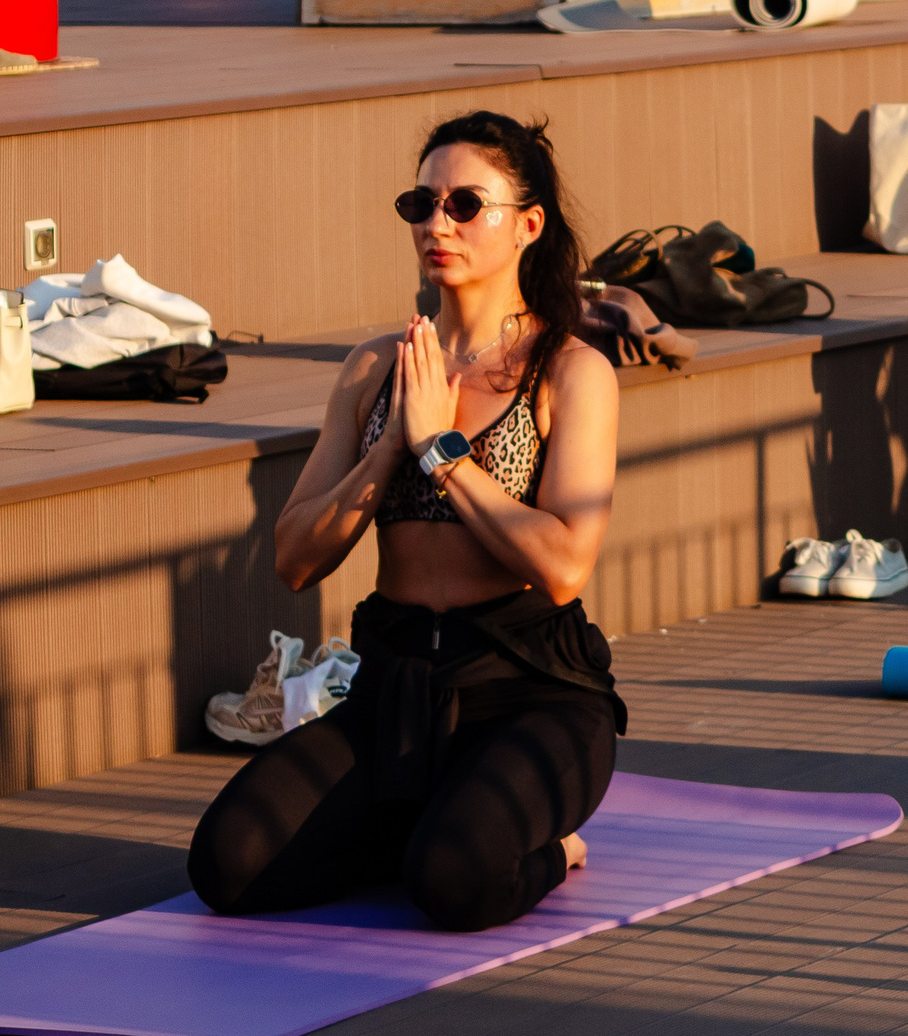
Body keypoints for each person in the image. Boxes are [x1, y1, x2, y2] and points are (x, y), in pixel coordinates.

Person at [188, 111, 624, 932]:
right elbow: (294, 558)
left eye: (466, 204)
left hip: (529, 695)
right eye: (420, 204)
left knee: (454, 883)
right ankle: (410, 822)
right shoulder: (373, 369)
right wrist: (390, 446)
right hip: (395, 696)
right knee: (226, 863)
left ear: (528, 224)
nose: (437, 224)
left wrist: (442, 450)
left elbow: (565, 565)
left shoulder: (570, 370)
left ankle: (553, 848)